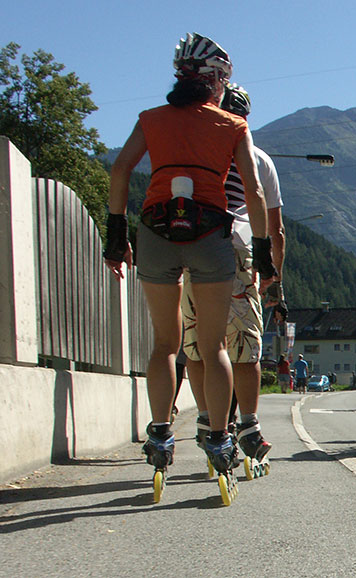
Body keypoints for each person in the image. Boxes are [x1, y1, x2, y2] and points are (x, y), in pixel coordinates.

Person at [103, 33, 274, 478]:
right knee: (215, 344)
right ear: (216, 80)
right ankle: (219, 439)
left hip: (155, 231)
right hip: (209, 232)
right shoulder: (231, 125)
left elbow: (121, 168)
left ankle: (160, 433)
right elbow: (253, 191)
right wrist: (263, 254)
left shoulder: (151, 118)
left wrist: (115, 235)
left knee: (165, 344)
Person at [180, 83, 284, 467]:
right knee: (244, 347)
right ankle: (248, 425)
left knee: (198, 343)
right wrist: (273, 274)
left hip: (195, 247)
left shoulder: (194, 151)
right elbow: (276, 228)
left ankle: (207, 419)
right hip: (239, 250)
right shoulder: (258, 159)